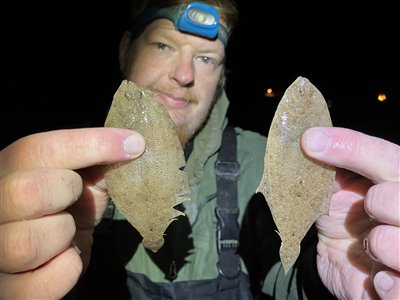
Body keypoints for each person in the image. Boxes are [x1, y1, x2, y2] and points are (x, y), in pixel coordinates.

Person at [1, 0, 399, 299]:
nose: (184, 74)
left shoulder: (262, 162)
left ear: (221, 77)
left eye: (206, 58)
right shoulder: (64, 175)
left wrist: (339, 273)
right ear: (125, 49)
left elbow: (286, 275)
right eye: (162, 46)